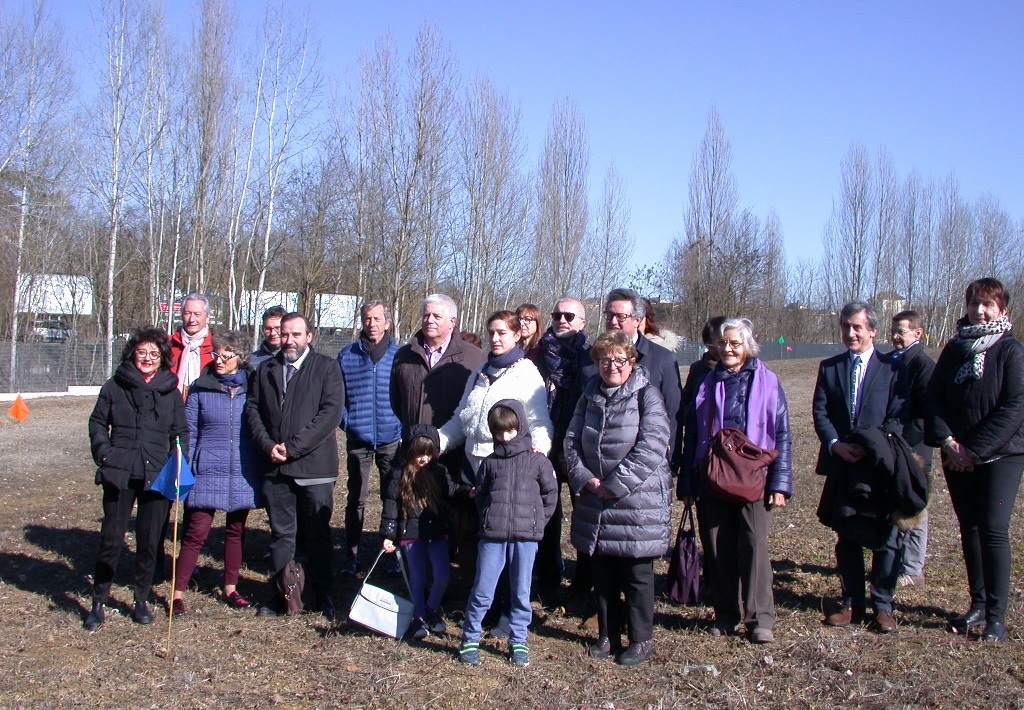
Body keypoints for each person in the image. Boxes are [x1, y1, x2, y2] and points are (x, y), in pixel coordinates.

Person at [679, 318, 792, 643]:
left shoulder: (768, 382)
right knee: (717, 549)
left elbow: (782, 435)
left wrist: (780, 484)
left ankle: (760, 619)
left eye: (735, 343)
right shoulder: (706, 383)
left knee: (754, 546)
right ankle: (726, 614)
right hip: (712, 477)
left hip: (754, 479)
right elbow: (694, 436)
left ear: (748, 346)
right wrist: (688, 484)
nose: (728, 349)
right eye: (723, 343)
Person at [565, 330, 673, 666]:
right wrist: (587, 479)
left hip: (637, 502)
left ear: (631, 362)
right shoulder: (589, 393)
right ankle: (608, 635)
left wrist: (615, 483)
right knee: (605, 571)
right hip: (597, 499)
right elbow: (570, 439)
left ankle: (641, 640)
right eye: (605, 359)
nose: (612, 365)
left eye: (619, 359)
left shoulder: (647, 395)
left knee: (637, 575)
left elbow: (653, 444)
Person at [926, 278, 1024, 643]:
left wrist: (975, 450)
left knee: (993, 529)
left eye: (987, 305)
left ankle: (996, 617)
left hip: (1001, 455)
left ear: (1002, 310)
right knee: (969, 527)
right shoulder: (954, 349)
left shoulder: (1011, 351)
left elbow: (1015, 407)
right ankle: (978, 602)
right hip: (956, 453)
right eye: (973, 304)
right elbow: (934, 397)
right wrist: (949, 442)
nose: (979, 311)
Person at [813, 301, 908, 634]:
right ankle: (851, 601)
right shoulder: (830, 367)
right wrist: (836, 445)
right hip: (843, 463)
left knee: (887, 536)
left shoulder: (892, 370)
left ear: (873, 331)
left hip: (879, 466)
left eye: (857, 327)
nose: (850, 332)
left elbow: (898, 415)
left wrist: (874, 447)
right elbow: (821, 413)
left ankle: (883, 605)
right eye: (845, 326)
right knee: (847, 534)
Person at [85, 327, 188, 630]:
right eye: (142, 352)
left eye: (154, 354)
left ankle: (140, 598)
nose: (147, 358)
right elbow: (97, 423)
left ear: (163, 358)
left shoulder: (170, 390)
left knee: (149, 540)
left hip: (157, 473)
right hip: (120, 470)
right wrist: (105, 453)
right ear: (132, 353)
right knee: (111, 539)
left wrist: (179, 460)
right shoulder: (114, 386)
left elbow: (180, 432)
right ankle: (98, 600)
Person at [245, 312, 345, 618]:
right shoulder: (266, 369)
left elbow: (329, 414)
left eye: (296, 335)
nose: (289, 340)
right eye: (284, 334)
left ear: (309, 336)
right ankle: (280, 594)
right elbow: (252, 410)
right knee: (281, 534)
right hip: (275, 468)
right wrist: (267, 446)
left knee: (317, 534)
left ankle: (322, 592)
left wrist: (293, 448)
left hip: (314, 468)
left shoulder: (327, 368)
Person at [390, 294, 486, 582]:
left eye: (437, 316)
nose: (429, 320)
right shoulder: (404, 354)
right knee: (418, 520)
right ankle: (421, 583)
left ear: (453, 322)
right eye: (426, 315)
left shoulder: (473, 358)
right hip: (415, 454)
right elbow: (397, 399)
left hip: (454, 454)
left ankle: (456, 580)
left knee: (456, 520)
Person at [457, 400, 558, 668]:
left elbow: (550, 496)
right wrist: (490, 520)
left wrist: (537, 523)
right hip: (492, 538)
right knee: (482, 589)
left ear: (520, 427)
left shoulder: (538, 462)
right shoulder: (489, 464)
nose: (504, 437)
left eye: (510, 431)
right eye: (499, 432)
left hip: (526, 539)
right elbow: (481, 496)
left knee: (521, 592)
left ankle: (519, 641)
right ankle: (470, 638)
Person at [172, 330, 262, 615]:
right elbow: (190, 431)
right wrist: (187, 465)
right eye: (216, 354)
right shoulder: (201, 387)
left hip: (242, 469)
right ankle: (177, 592)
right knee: (196, 532)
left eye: (226, 356)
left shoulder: (253, 387)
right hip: (207, 467)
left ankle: (231, 587)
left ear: (240, 358)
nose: (219, 360)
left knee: (236, 531)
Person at [380, 425, 470, 639]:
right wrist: (388, 535)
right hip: (411, 536)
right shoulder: (398, 474)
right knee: (418, 578)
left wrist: (468, 493)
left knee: (442, 575)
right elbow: (391, 507)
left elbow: (452, 492)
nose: (424, 459)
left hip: (436, 532)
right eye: (419, 454)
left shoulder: (439, 472)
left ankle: (430, 609)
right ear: (410, 451)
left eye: (429, 454)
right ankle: (418, 616)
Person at [337, 300, 402, 576]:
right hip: (358, 439)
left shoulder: (400, 356)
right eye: (367, 319)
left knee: (392, 495)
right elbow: (336, 396)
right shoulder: (347, 356)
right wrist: (347, 422)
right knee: (356, 498)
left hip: (390, 438)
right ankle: (351, 553)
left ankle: (391, 553)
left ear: (387, 322)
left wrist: (399, 424)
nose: (372, 324)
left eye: (377, 319)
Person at [533, 297, 589, 604]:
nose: (562, 319)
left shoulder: (591, 356)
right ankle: (548, 577)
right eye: (557, 314)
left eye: (569, 315)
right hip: (545, 443)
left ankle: (583, 582)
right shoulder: (540, 354)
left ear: (582, 322)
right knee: (546, 514)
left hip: (579, 447)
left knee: (583, 516)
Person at [889, 310, 935, 589]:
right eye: (894, 330)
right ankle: (897, 563)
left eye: (901, 331)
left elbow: (925, 414)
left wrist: (903, 441)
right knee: (897, 503)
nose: (895, 335)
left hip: (915, 447)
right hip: (896, 446)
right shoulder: (896, 360)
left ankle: (914, 568)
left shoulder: (922, 365)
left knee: (916, 506)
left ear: (917, 333)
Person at [169, 293, 214, 397]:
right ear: (181, 316)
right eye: (187, 313)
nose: (192, 319)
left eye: (197, 314)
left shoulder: (216, 347)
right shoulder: (168, 344)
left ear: (207, 317)